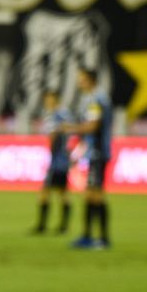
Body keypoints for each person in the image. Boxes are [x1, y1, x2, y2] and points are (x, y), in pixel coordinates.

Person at [65, 67, 113, 250]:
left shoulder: (97, 100)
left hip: (98, 153)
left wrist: (70, 129)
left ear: (91, 80)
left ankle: (102, 238)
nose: (79, 83)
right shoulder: (94, 99)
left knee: (96, 195)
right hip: (93, 153)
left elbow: (93, 126)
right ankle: (88, 236)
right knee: (90, 194)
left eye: (82, 79)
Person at [31, 90, 73, 235]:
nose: (47, 102)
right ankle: (63, 226)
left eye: (48, 99)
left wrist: (52, 148)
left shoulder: (55, 115)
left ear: (55, 99)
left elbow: (53, 136)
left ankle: (43, 226)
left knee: (46, 191)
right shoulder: (65, 114)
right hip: (63, 159)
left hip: (57, 160)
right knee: (62, 192)